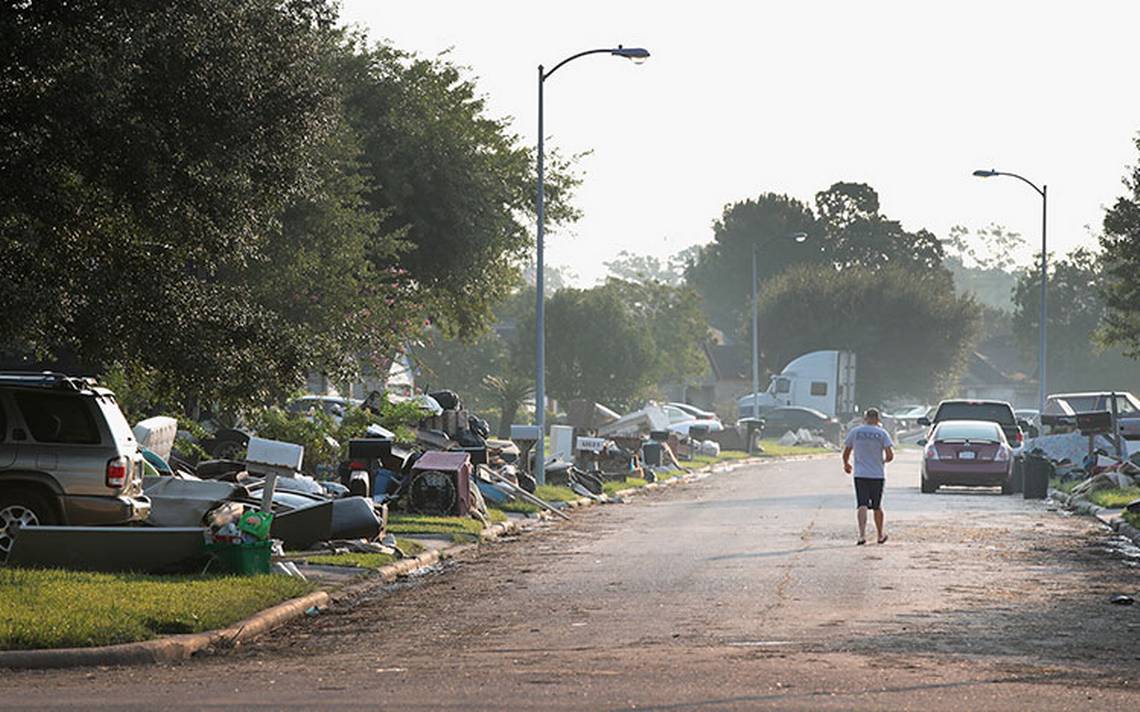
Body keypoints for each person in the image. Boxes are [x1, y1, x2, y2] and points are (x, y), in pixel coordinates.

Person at [842, 408, 894, 545]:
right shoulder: (882, 433)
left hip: (860, 474)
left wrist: (846, 464)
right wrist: (882, 461)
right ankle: (880, 535)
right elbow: (890, 455)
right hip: (877, 474)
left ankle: (861, 535)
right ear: (878, 419)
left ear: (865, 418)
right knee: (877, 506)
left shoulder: (856, 432)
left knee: (862, 504)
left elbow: (846, 450)